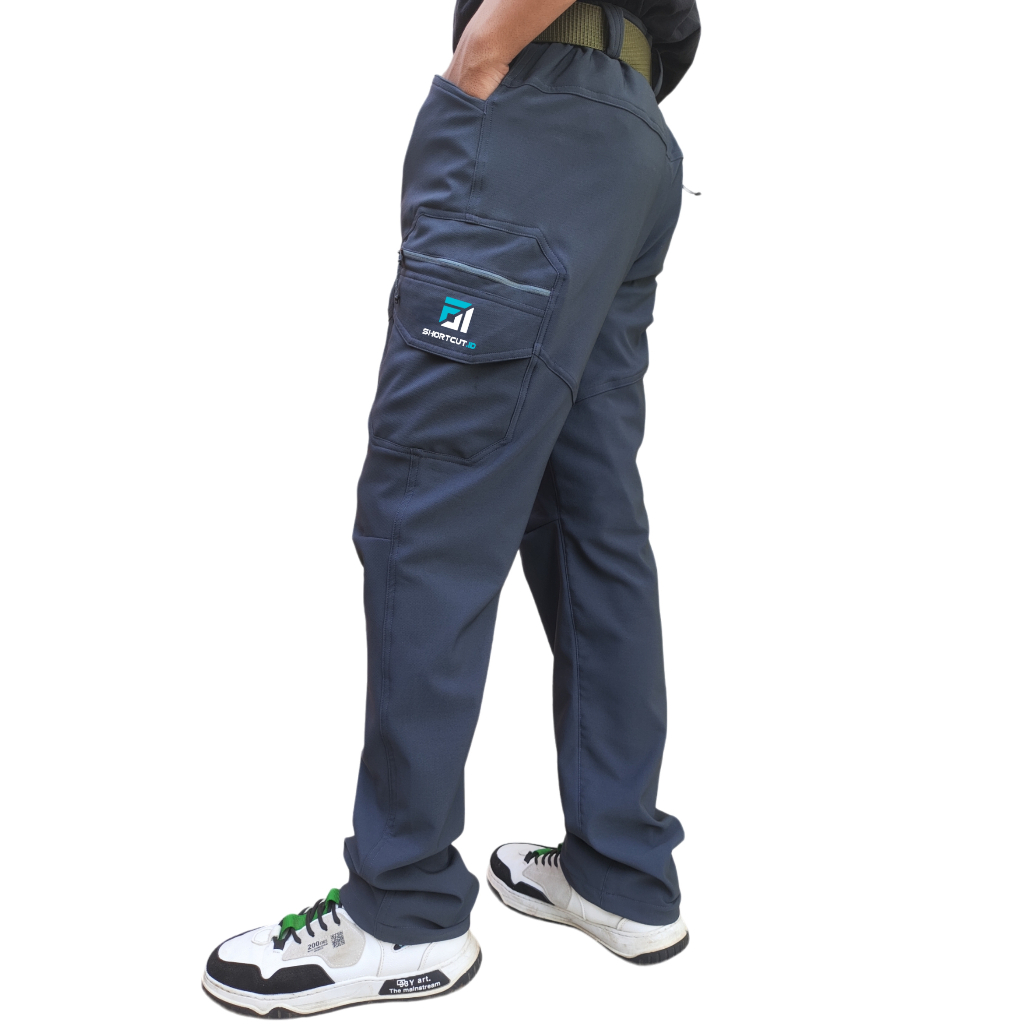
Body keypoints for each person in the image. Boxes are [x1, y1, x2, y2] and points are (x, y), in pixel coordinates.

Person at [202, 0, 701, 1014]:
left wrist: (481, 61)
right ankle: (622, 872)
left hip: (539, 104)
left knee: (426, 511)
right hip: (629, 123)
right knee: (588, 518)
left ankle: (404, 911)